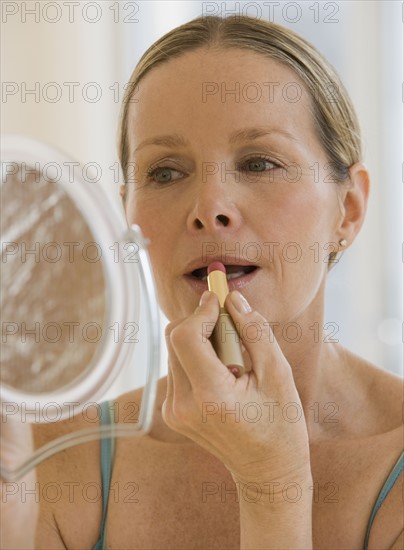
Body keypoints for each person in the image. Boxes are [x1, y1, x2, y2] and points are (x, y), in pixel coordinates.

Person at [2, 14, 403, 549]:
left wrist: (271, 486)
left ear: (347, 210)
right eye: (166, 172)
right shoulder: (48, 462)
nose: (209, 209)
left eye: (259, 163)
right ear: (127, 215)